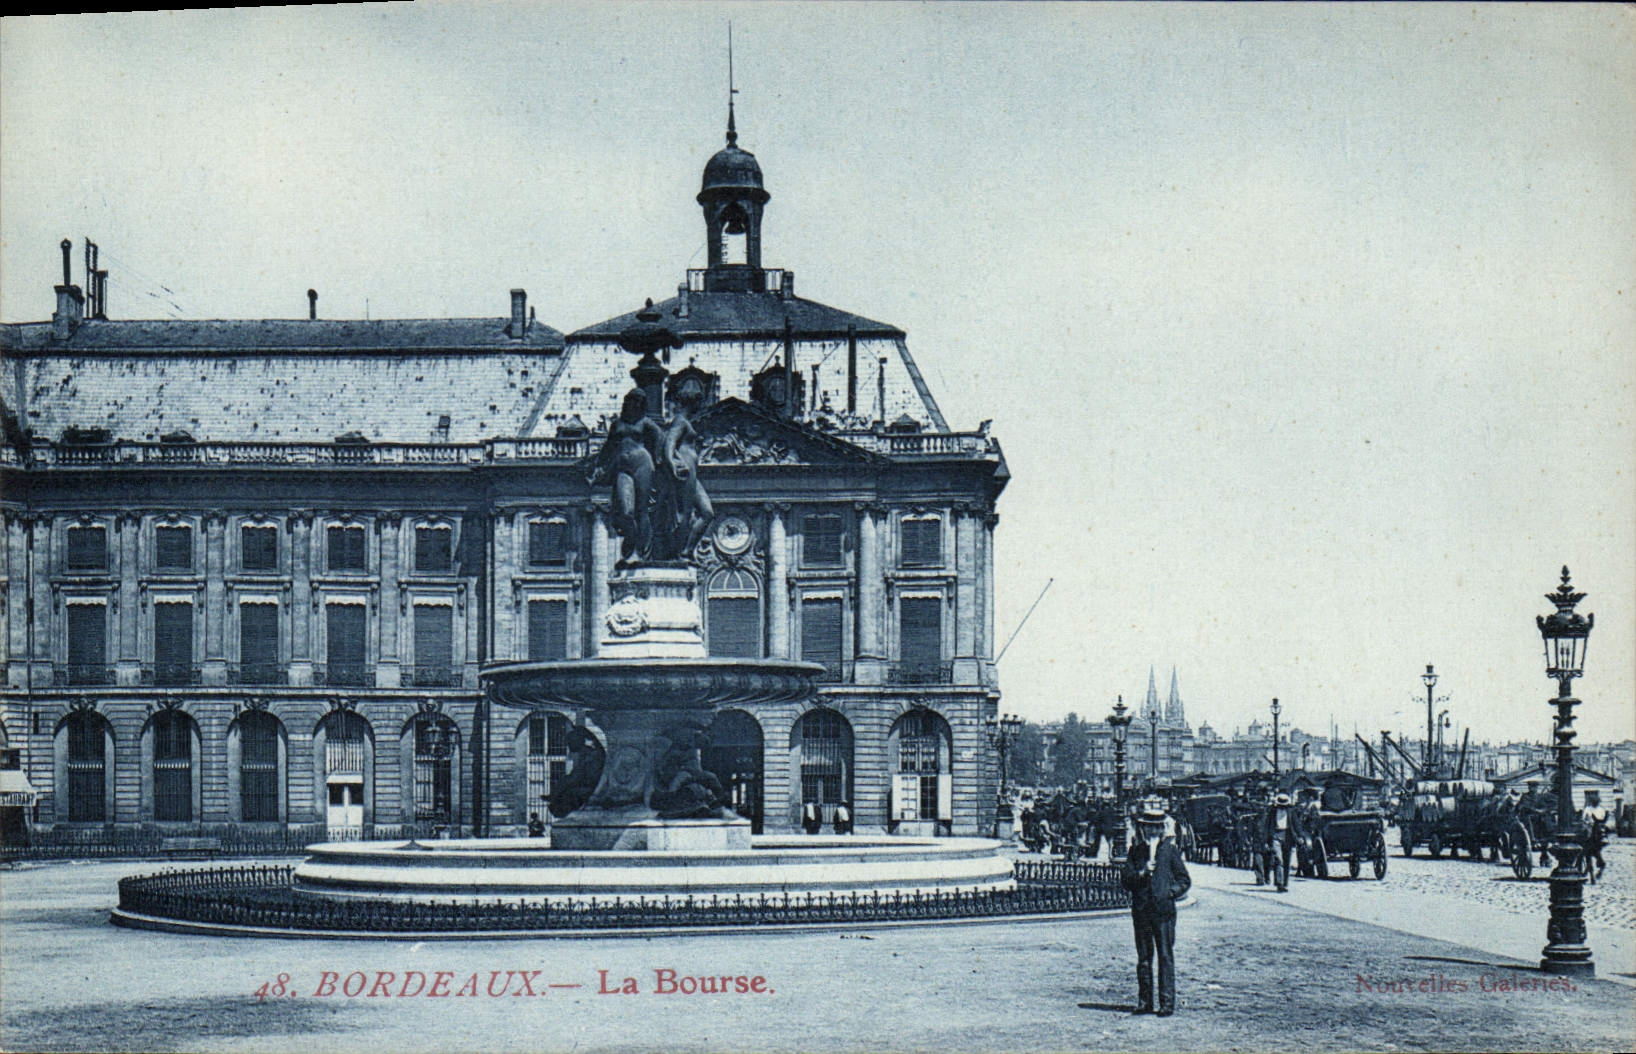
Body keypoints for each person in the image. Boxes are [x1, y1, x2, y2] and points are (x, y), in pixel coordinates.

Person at [1120, 796, 1191, 1017]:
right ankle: (1145, 1001)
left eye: (1156, 829)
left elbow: (1184, 880)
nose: (1152, 833)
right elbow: (1126, 880)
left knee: (1165, 956)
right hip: (1142, 910)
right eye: (1148, 828)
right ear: (1143, 829)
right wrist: (1142, 872)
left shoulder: (1169, 851)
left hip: (1163, 911)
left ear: (1161, 830)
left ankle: (1167, 1002)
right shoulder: (1136, 851)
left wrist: (1169, 893)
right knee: (1143, 958)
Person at [1582, 790, 1609, 880]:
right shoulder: (1588, 809)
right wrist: (1588, 823)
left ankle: (1603, 842)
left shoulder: (1601, 809)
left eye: (1597, 802)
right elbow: (1584, 819)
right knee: (1586, 834)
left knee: (1603, 833)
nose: (1595, 803)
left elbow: (1603, 820)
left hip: (1598, 828)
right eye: (1594, 802)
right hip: (1589, 827)